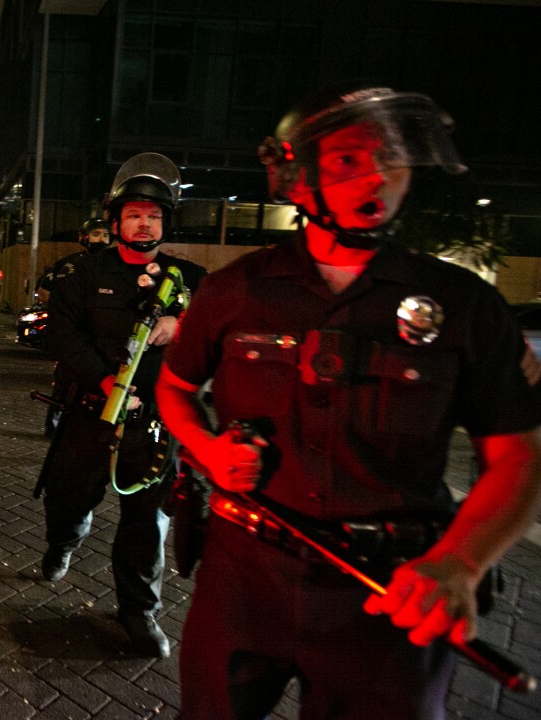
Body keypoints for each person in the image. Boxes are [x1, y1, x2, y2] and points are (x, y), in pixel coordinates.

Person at [155, 84, 541, 719]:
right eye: (347, 159)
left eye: (391, 156)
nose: (378, 175)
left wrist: (461, 564)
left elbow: (520, 461)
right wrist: (207, 451)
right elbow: (174, 389)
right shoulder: (232, 293)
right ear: (298, 178)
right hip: (244, 582)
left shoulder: (466, 306)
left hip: (393, 595)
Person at [38, 153, 207, 658]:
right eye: (134, 214)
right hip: (91, 414)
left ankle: (139, 610)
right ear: (115, 222)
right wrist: (108, 378)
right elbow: (60, 336)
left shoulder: (192, 280)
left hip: (154, 425)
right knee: (66, 500)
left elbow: (225, 335)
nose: (144, 222)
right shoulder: (80, 273)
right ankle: (65, 540)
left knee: (147, 523)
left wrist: (184, 326)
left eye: (153, 216)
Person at [38, 217, 112, 437]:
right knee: (65, 381)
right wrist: (68, 309)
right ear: (84, 237)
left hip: (103, 337)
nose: (101, 239)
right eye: (97, 234)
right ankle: (54, 428)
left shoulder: (114, 266)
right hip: (73, 335)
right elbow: (43, 291)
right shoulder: (68, 265)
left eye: (106, 235)